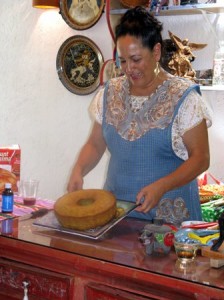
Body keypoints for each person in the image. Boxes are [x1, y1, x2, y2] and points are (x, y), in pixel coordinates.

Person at [67, 6, 212, 221]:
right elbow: (95, 145)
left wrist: (162, 186)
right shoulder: (110, 93)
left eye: (135, 59)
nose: (128, 68)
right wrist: (78, 170)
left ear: (156, 51)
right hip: (116, 216)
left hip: (170, 222)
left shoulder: (184, 97)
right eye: (122, 60)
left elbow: (201, 158)